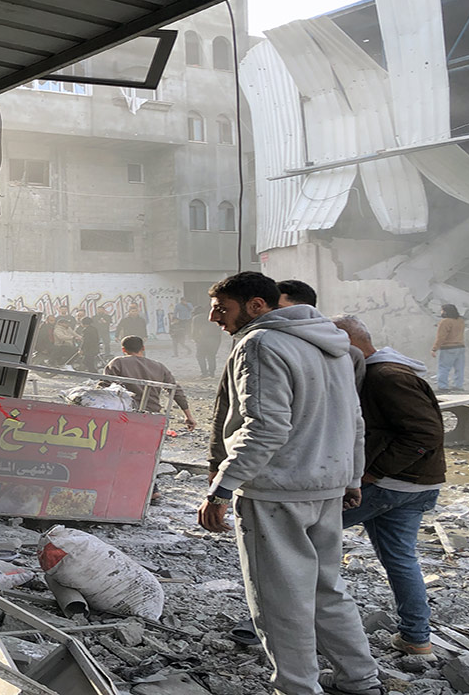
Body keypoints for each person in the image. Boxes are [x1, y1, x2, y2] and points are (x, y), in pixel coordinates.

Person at [198, 272, 380, 695]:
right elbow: (354, 420)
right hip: (327, 486)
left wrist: (221, 489)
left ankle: (297, 688)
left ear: (257, 305)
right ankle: (361, 681)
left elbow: (265, 428)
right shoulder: (333, 344)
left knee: (281, 601)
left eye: (222, 308)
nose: (213, 317)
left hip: (276, 490)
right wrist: (351, 476)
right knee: (326, 591)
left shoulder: (260, 344)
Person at [333, 316, 445, 659]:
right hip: (412, 484)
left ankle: (285, 625)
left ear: (348, 343)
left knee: (300, 535)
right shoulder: (382, 372)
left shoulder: (385, 377)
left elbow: (425, 434)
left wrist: (370, 474)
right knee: (400, 560)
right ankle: (416, 639)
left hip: (390, 484)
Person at [102, 336, 196, 428]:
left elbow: (104, 386)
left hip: (124, 413)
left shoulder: (117, 362)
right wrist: (188, 416)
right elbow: (176, 391)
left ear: (124, 350)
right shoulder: (159, 366)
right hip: (151, 414)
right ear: (143, 348)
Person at [431, 304, 466, 391]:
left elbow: (441, 337)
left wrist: (434, 349)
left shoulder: (445, 322)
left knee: (444, 368)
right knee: (459, 368)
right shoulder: (460, 320)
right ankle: (458, 386)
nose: (441, 312)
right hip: (461, 347)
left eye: (442, 310)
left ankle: (443, 387)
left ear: (446, 312)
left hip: (448, 348)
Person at [191, 310, 222, 377]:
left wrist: (195, 339)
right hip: (215, 339)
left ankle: (204, 372)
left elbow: (194, 331)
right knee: (211, 356)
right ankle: (212, 373)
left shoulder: (196, 318)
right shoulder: (214, 316)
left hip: (203, 339)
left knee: (200, 356)